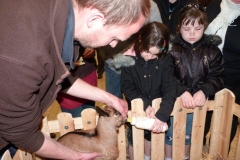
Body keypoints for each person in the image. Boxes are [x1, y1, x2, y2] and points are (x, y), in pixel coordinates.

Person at [0, 0, 150, 159]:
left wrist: (109, 98)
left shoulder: (64, 21)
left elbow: (58, 76)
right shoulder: (24, 55)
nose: (113, 45)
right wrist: (76, 156)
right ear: (95, 19)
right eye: (114, 37)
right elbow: (21, 132)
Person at [167, 3, 224, 160]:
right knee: (170, 137)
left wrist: (205, 89)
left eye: (197, 29)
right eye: (187, 29)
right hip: (173, 103)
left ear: (204, 27)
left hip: (199, 106)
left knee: (190, 137)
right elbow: (166, 76)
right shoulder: (172, 50)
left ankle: (185, 157)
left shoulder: (213, 51)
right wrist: (180, 91)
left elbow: (217, 76)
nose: (192, 33)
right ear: (179, 27)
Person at [120, 22, 177, 160]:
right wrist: (144, 104)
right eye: (146, 52)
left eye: (154, 55)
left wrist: (163, 112)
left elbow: (170, 85)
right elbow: (127, 86)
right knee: (134, 138)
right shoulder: (128, 58)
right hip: (137, 108)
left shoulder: (165, 58)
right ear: (140, 41)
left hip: (158, 107)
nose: (149, 57)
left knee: (154, 139)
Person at [99, 0, 162, 99]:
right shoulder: (108, 4)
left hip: (137, 66)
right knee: (113, 103)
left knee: (135, 104)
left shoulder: (149, 5)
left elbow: (158, 36)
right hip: (113, 63)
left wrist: (136, 46)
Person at [203, 0, 240, 152]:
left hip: (233, 78)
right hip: (205, 72)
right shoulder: (214, 4)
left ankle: (218, 152)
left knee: (227, 118)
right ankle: (197, 147)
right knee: (203, 112)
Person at [56, 41, 97, 118]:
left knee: (90, 121)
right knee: (74, 124)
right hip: (67, 82)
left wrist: (92, 46)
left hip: (87, 72)